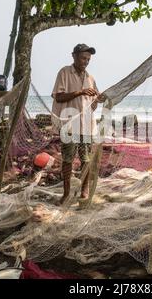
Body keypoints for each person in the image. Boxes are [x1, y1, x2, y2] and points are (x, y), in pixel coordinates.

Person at [51, 43, 105, 205]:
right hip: (69, 125)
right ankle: (66, 193)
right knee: (67, 159)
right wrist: (81, 92)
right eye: (83, 58)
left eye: (88, 59)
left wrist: (98, 100)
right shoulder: (64, 72)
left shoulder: (91, 78)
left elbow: (93, 103)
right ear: (74, 56)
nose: (86, 61)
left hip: (87, 126)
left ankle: (84, 190)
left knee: (86, 160)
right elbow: (58, 97)